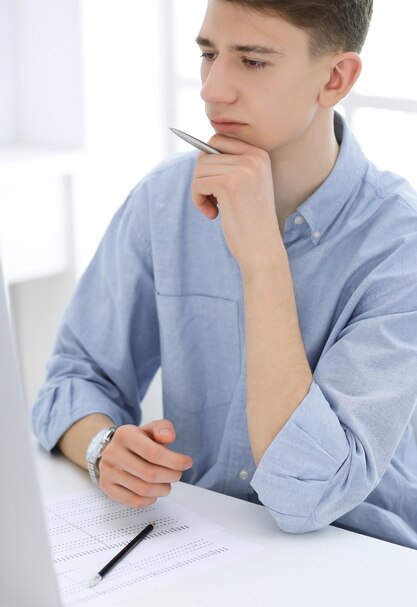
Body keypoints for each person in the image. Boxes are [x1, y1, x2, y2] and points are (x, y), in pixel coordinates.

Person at [32, 0, 417, 549]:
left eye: (253, 61)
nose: (212, 89)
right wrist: (103, 447)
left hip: (358, 562)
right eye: (209, 54)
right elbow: (73, 380)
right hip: (194, 548)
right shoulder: (164, 201)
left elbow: (304, 497)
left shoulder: (401, 248)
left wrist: (262, 256)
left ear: (335, 78)